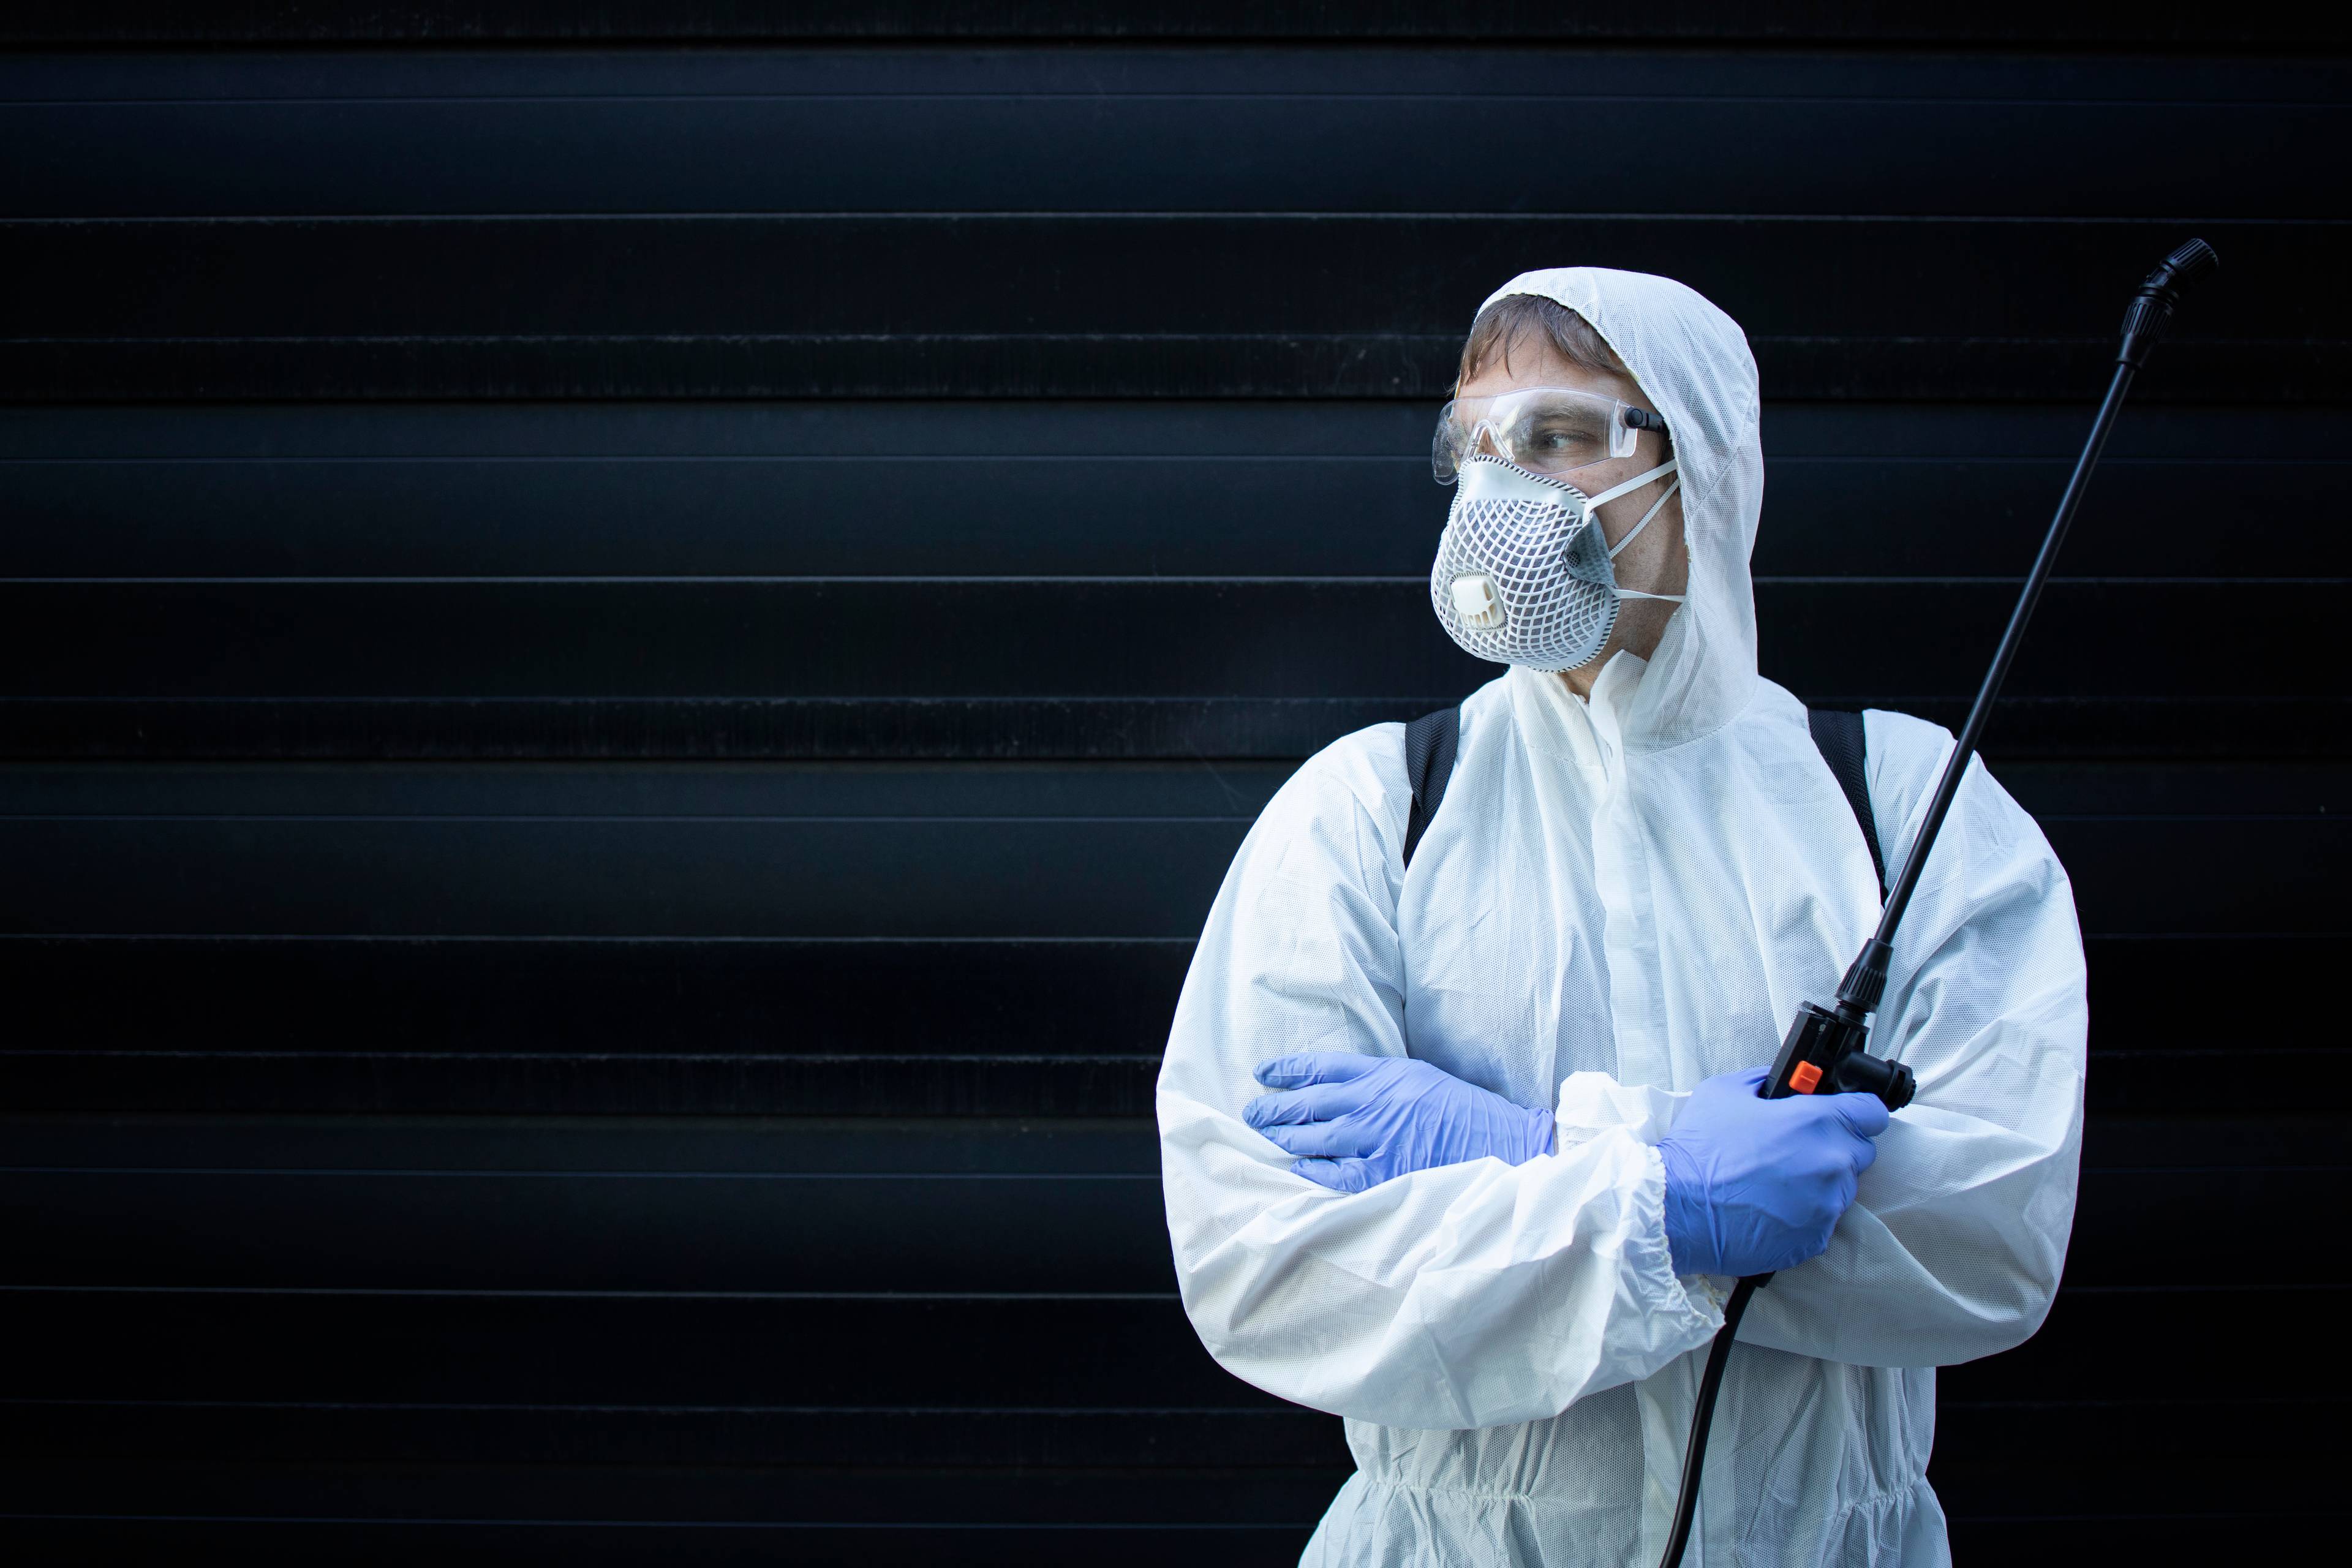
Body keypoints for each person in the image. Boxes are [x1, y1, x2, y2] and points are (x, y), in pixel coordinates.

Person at [1155, 267, 2086, 1566]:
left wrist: (1541, 1155)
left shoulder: (1907, 808)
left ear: (1695, 451)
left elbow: (1994, 1231)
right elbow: (1270, 1265)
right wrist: (1661, 1202)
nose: (1501, 491)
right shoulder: (1368, 816)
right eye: (1476, 446)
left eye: (1556, 435)